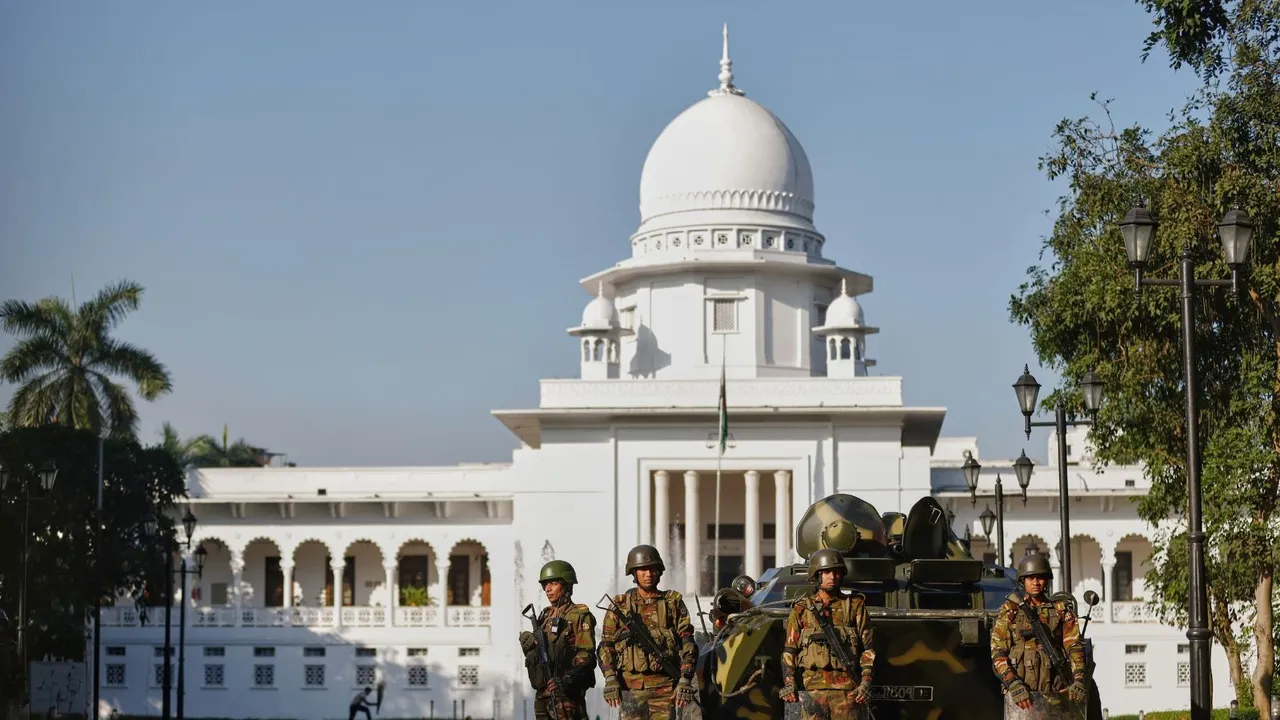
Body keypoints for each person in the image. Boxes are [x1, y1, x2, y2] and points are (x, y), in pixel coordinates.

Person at [597, 544, 697, 719]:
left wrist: (685, 678)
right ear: (634, 573)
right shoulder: (620, 606)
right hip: (630, 689)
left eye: (652, 569)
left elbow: (687, 642)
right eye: (643, 570)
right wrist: (610, 679)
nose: (648, 574)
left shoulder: (672, 603)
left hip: (665, 689)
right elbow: (606, 646)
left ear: (659, 572)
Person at [780, 548, 875, 719]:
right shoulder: (802, 609)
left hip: (847, 691)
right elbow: (790, 651)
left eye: (837, 572)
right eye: (826, 572)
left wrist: (865, 682)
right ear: (816, 575)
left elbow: (867, 650)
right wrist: (789, 683)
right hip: (812, 690)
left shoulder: (854, 606)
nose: (832, 577)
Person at [990, 553, 1088, 718]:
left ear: (1047, 581)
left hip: (1055, 690)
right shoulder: (1011, 609)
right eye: (1030, 578)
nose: (1036, 582)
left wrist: (1078, 679)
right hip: (1021, 693)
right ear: (1023, 581)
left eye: (1040, 578)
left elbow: (1074, 646)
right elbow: (998, 651)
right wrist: (1012, 682)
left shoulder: (1060, 610)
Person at [519, 560, 597, 720]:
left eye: (553, 583)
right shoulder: (545, 616)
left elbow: (586, 655)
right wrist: (529, 645)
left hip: (566, 695)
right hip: (543, 694)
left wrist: (566, 680)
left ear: (567, 585)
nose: (547, 589)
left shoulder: (579, 615)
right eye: (545, 585)